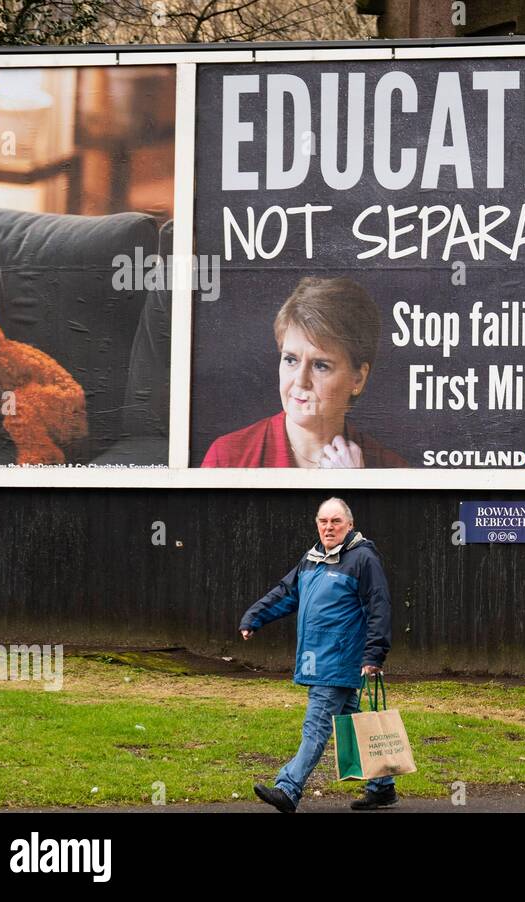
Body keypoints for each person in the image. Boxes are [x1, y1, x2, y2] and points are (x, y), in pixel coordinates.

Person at [241, 497, 398, 812]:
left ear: (349, 525)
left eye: (336, 521)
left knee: (316, 725)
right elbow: (287, 593)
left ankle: (288, 787)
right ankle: (382, 787)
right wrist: (253, 618)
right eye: (324, 521)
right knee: (354, 721)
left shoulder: (363, 559)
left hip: (338, 659)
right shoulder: (312, 559)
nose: (329, 527)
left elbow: (378, 607)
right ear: (317, 524)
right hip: (321, 658)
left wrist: (373, 655)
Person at [201, 276, 409, 468]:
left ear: (358, 378)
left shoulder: (391, 469)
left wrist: (358, 491)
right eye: (291, 360)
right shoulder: (228, 458)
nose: (300, 381)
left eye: (320, 365)